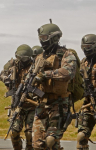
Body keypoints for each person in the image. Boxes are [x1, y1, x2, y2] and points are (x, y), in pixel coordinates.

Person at [32, 22, 77, 150]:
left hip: (59, 104)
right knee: (37, 145)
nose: (42, 41)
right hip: (41, 105)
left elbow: (68, 72)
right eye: (40, 38)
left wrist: (45, 74)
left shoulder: (66, 55)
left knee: (51, 140)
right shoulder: (39, 57)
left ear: (54, 37)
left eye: (45, 38)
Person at [0, 44, 35, 150]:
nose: (21, 60)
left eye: (24, 58)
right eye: (19, 57)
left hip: (32, 104)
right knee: (14, 132)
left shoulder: (34, 66)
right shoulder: (13, 65)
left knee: (30, 134)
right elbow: (2, 74)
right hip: (17, 103)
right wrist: (6, 78)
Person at [76, 34, 96, 150]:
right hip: (88, 106)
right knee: (81, 137)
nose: (85, 49)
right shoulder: (83, 63)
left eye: (88, 46)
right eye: (83, 46)